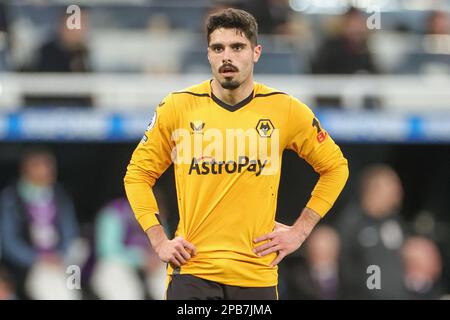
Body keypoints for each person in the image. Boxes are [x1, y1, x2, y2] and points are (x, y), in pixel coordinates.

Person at [124, 8, 348, 300]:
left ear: (256, 52)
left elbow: (336, 167)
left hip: (256, 274)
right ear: (208, 55)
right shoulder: (178, 108)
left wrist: (300, 231)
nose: (226, 56)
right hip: (193, 272)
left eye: (237, 47)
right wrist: (157, 240)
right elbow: (138, 174)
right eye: (218, 48)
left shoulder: (284, 109)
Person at [0, 147, 79, 299]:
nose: (45, 171)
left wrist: (59, 255)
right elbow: (8, 242)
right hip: (27, 264)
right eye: (39, 166)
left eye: (48, 166)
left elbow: (71, 232)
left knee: (73, 280)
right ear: (26, 169)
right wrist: (38, 258)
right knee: (52, 285)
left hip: (61, 260)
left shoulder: (60, 195)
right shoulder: (10, 199)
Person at [337, 164, 409, 299]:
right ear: (375, 189)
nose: (399, 192)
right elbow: (345, 266)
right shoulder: (352, 222)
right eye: (393, 186)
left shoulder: (395, 222)